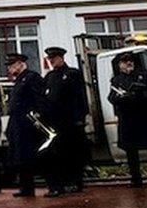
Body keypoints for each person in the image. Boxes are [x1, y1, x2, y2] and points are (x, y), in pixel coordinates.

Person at [108, 52, 147, 188]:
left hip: (144, 117)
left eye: (130, 60)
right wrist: (122, 98)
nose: (128, 63)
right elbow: (111, 97)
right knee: (131, 151)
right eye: (125, 61)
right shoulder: (117, 80)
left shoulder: (144, 76)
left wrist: (138, 95)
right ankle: (136, 178)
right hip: (128, 120)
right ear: (119, 65)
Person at [42, 47, 88, 196]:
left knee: (73, 153)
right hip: (55, 123)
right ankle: (63, 182)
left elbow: (79, 97)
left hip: (70, 121)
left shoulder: (72, 74)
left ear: (61, 58)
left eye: (54, 58)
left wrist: (79, 118)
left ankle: (76, 182)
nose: (52, 61)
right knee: (58, 154)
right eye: (50, 59)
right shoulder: (49, 77)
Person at [5, 53, 46, 198]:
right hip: (17, 122)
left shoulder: (32, 78)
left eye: (11, 65)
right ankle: (25, 188)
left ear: (20, 63)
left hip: (28, 123)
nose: (9, 69)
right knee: (20, 156)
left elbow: (39, 100)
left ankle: (51, 186)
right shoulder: (18, 81)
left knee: (31, 155)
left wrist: (37, 118)